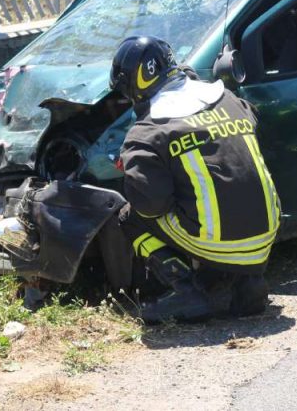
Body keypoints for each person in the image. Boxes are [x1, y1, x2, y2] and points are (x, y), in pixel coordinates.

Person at [111, 35, 282, 323]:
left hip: (219, 240)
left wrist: (132, 168)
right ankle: (247, 282)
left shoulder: (148, 132)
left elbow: (152, 205)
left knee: (131, 216)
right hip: (267, 232)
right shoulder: (229, 99)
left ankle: (186, 291)